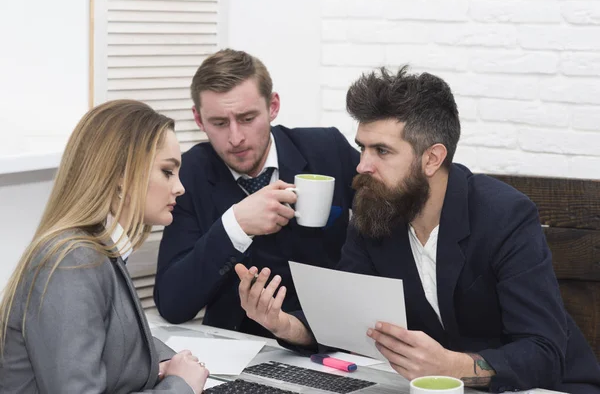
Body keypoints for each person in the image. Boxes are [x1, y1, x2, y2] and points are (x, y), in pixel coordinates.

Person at [234, 67, 600, 393]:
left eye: (382, 150)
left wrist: (452, 367)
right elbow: (346, 320)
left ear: (432, 158)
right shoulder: (374, 211)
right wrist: (284, 324)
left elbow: (544, 352)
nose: (363, 165)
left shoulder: (506, 217)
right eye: (362, 147)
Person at [0, 100, 209, 393]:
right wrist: (179, 386)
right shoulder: (72, 262)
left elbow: (117, 337)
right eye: (167, 172)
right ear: (122, 175)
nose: (179, 187)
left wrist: (165, 361)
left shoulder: (97, 252)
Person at [154, 49, 360, 336]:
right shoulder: (191, 174)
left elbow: (392, 223)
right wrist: (235, 226)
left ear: (273, 106)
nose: (235, 138)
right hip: (235, 350)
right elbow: (172, 304)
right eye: (219, 123)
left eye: (248, 118)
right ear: (199, 120)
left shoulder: (327, 150)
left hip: (325, 338)